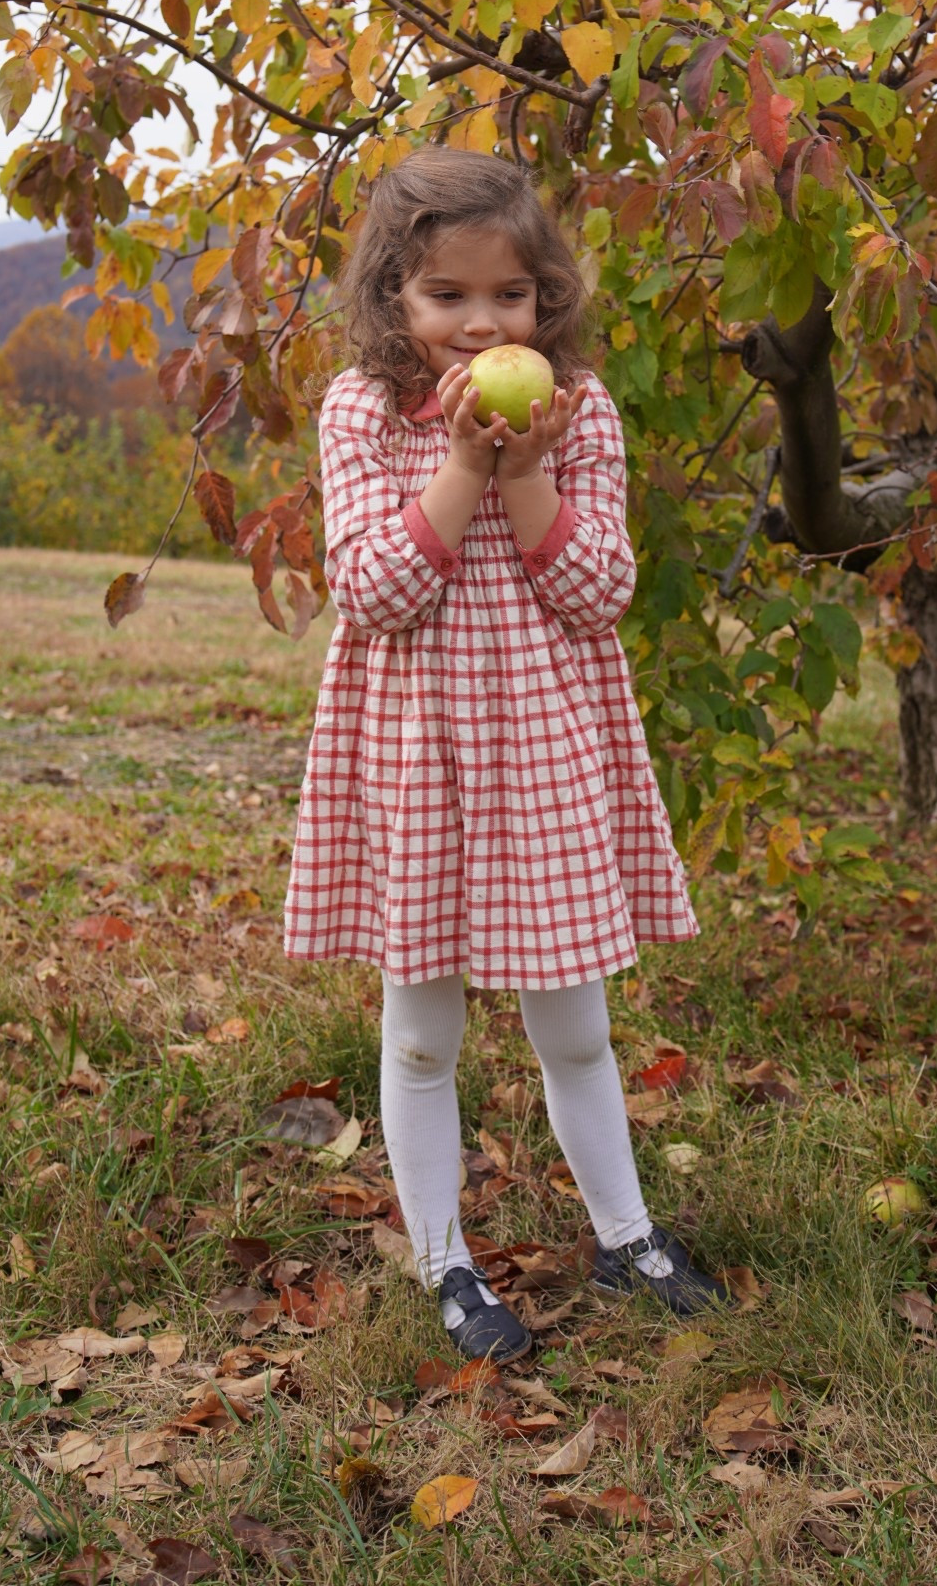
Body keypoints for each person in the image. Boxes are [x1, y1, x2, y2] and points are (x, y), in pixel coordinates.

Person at [284, 146, 727, 1359]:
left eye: (510, 297)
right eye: (447, 297)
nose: (483, 323)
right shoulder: (364, 413)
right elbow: (375, 590)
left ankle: (625, 1235)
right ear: (393, 300)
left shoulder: (578, 411)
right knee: (422, 1027)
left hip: (542, 749)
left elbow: (598, 593)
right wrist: (464, 462)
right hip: (418, 751)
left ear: (547, 299)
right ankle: (444, 1261)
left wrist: (527, 475)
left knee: (573, 1023)